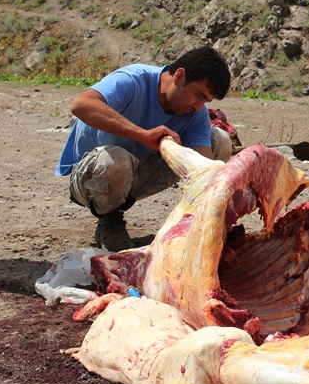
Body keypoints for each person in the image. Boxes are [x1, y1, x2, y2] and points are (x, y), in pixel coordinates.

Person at [55, 46, 233, 251]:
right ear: (179, 76)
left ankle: (196, 226)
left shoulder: (195, 113)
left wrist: (217, 216)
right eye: (198, 95)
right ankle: (109, 222)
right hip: (91, 179)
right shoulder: (132, 80)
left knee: (219, 140)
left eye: (206, 101)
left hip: (136, 178)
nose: (198, 106)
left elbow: (205, 172)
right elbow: (80, 104)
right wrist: (141, 134)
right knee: (115, 159)